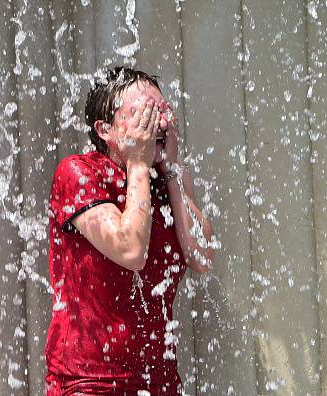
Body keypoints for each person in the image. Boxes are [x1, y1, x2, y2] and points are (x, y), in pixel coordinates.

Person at [45, 66, 216, 395]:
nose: (159, 123)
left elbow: (203, 256)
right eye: (144, 113)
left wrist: (172, 170)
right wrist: (138, 162)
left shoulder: (169, 180)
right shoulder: (79, 173)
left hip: (158, 380)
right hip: (89, 383)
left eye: (162, 110)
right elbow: (130, 250)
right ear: (105, 129)